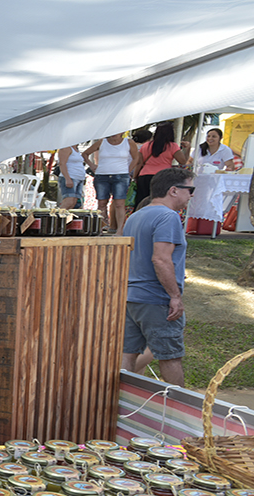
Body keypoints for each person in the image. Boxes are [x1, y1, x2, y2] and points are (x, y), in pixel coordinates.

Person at [120, 167, 196, 388]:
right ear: (173, 190)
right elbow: (161, 259)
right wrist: (175, 296)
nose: (191, 195)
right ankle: (180, 412)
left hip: (131, 296)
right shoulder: (168, 216)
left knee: (127, 354)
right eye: (190, 189)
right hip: (156, 298)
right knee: (170, 356)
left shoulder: (134, 216)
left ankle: (118, 406)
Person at [84, 134, 140, 233]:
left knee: (119, 203)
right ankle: (101, 227)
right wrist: (92, 165)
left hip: (121, 175)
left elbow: (136, 158)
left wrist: (128, 170)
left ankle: (119, 229)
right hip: (102, 175)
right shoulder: (102, 142)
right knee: (101, 203)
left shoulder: (129, 142)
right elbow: (85, 154)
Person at [132, 122, 190, 210]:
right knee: (160, 202)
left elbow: (139, 163)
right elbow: (183, 161)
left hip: (145, 175)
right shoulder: (172, 146)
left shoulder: (146, 145)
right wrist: (187, 149)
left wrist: (135, 176)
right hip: (163, 177)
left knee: (142, 202)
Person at [57, 143, 92, 209]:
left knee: (74, 202)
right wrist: (67, 178)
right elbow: (62, 164)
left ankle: (67, 218)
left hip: (79, 178)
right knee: (68, 201)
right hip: (70, 177)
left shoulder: (76, 149)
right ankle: (58, 217)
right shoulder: (66, 148)